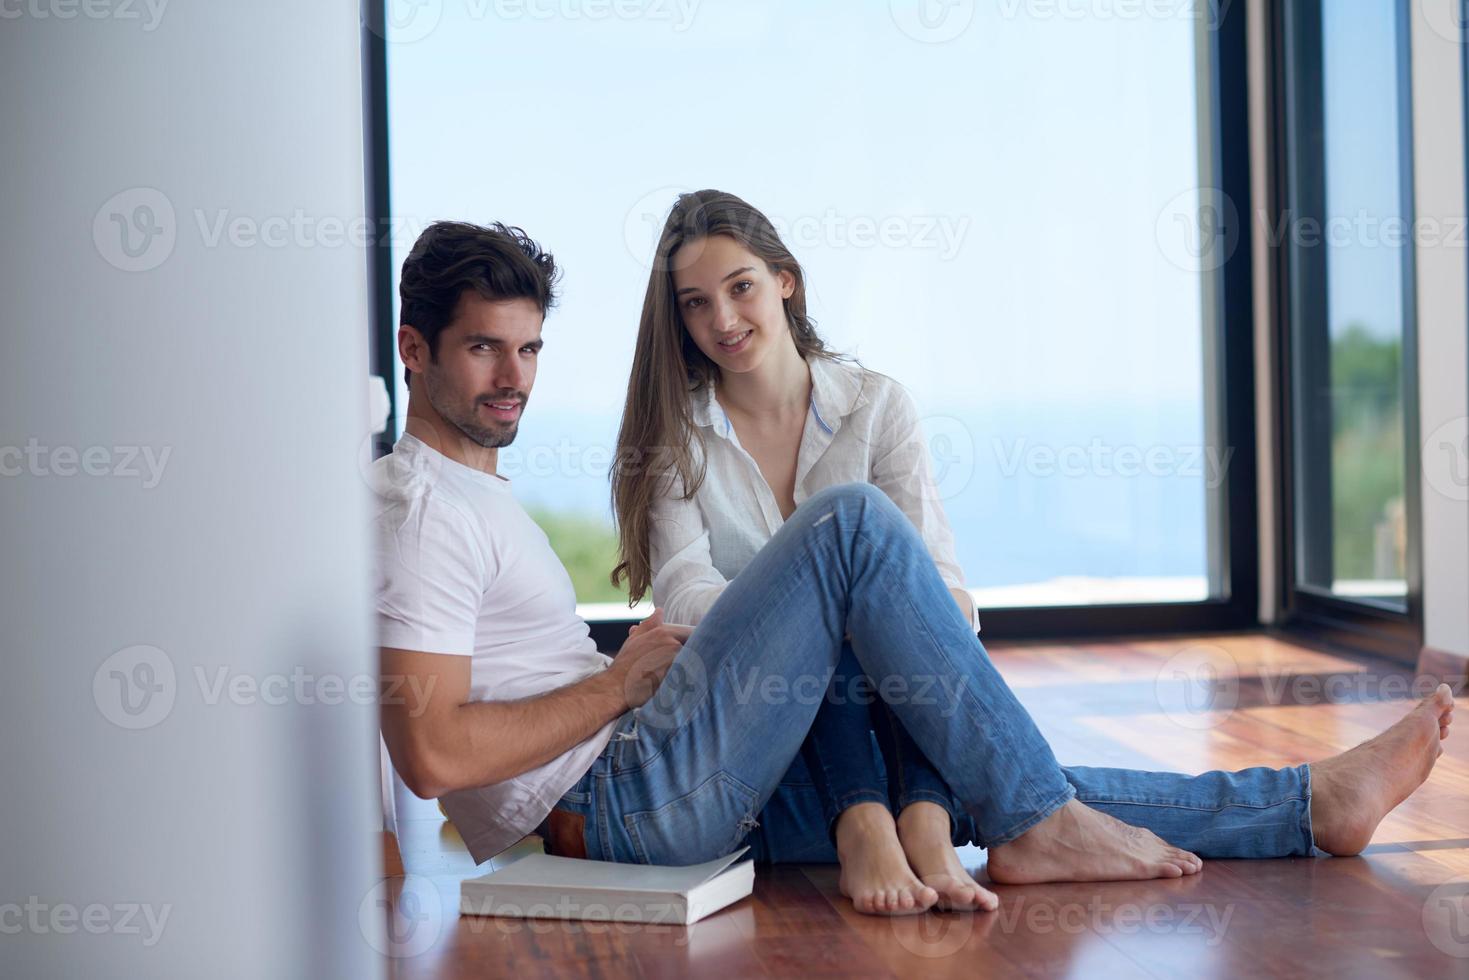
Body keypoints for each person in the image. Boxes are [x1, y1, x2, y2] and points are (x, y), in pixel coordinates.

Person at [374, 218, 1457, 920]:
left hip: (645, 778)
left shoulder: (472, 488)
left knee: (975, 779)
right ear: (414, 349)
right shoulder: (423, 507)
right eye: (481, 349)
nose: (511, 377)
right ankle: (1035, 818)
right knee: (847, 528)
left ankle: (1307, 804)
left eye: (527, 350)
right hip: (618, 808)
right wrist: (618, 681)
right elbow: (429, 751)